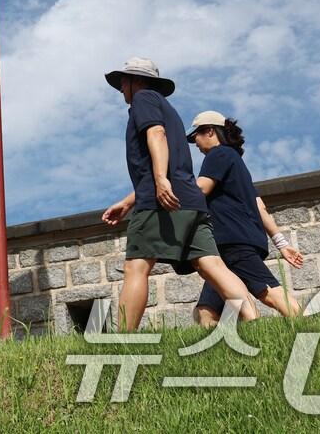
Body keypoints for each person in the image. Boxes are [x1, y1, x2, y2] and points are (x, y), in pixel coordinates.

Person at [100, 58, 258, 331]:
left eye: (123, 81)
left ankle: (124, 339)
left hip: (161, 201)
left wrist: (160, 180)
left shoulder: (144, 99)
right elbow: (171, 162)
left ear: (135, 80)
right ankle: (254, 322)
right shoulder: (168, 109)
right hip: (191, 202)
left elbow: (156, 135)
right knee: (212, 265)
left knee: (136, 267)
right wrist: (127, 202)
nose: (121, 88)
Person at [187, 110, 305, 326]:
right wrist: (282, 243)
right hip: (230, 245)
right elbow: (259, 206)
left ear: (210, 131)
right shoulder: (237, 164)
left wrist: (167, 187)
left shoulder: (219, 154)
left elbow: (201, 188)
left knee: (267, 291)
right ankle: (220, 351)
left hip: (232, 241)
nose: (194, 140)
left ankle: (304, 326)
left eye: (196, 134)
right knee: (206, 309)